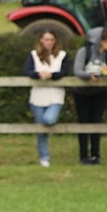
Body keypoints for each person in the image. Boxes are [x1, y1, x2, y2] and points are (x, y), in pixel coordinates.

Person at [71, 29, 107, 164]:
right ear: (100, 41)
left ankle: (96, 155)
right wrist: (89, 75)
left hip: (99, 92)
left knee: (97, 122)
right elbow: (77, 70)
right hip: (81, 92)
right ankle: (84, 156)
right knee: (83, 122)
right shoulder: (84, 52)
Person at [24, 31, 67, 167]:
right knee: (41, 128)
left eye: (51, 39)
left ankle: (44, 156)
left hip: (56, 96)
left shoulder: (62, 55)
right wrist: (38, 74)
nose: (49, 42)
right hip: (37, 97)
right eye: (46, 39)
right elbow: (27, 71)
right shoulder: (33, 55)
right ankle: (44, 157)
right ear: (41, 41)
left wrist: (51, 75)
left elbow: (65, 71)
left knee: (49, 120)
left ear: (55, 41)